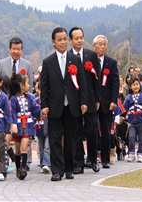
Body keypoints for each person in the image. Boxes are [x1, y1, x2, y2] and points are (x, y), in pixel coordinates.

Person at [40, 27, 88, 181]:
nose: (62, 42)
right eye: (59, 39)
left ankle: (69, 169)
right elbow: (44, 86)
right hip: (55, 107)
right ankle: (56, 170)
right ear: (54, 42)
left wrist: (83, 102)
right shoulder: (48, 62)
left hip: (72, 106)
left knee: (71, 139)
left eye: (64, 39)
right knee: (54, 139)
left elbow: (82, 83)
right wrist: (44, 105)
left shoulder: (75, 60)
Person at [0, 37, 34, 171]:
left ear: (22, 50)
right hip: (6, 105)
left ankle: (26, 162)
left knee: (24, 134)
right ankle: (9, 159)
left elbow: (29, 86)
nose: (16, 51)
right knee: (6, 136)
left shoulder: (28, 65)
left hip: (23, 107)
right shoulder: (1, 63)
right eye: (13, 48)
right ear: (9, 49)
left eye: (18, 49)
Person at [69, 27, 100, 174]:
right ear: (71, 40)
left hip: (90, 99)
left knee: (92, 130)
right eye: (76, 38)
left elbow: (97, 79)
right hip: (74, 101)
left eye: (81, 37)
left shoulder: (91, 55)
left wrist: (97, 99)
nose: (79, 40)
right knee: (75, 131)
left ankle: (93, 160)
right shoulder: (67, 57)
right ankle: (78, 162)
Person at [92, 35, 119, 169]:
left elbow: (115, 82)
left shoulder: (111, 62)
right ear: (94, 46)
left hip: (107, 102)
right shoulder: (88, 61)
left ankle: (105, 159)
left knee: (106, 132)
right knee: (92, 130)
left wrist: (114, 100)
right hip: (92, 101)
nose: (101, 47)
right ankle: (92, 158)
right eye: (99, 44)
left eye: (104, 44)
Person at [10, 73, 40, 180]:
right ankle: (18, 168)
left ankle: (23, 168)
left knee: (24, 145)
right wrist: (13, 123)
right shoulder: (13, 99)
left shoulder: (31, 98)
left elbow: (35, 109)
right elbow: (12, 112)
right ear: (20, 85)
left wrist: (41, 111)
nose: (28, 85)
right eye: (26, 83)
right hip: (18, 125)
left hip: (27, 124)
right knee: (17, 149)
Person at [123, 78, 142, 163]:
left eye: (137, 84)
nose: (135, 86)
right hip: (131, 122)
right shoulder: (128, 97)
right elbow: (124, 109)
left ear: (140, 85)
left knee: (141, 139)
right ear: (130, 87)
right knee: (131, 137)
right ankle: (131, 153)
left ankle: (141, 154)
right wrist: (122, 116)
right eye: (133, 85)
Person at [34, 80, 51, 174]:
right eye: (39, 89)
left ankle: (46, 163)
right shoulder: (35, 100)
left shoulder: (49, 100)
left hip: (48, 125)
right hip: (38, 126)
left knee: (47, 146)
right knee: (41, 146)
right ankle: (42, 163)